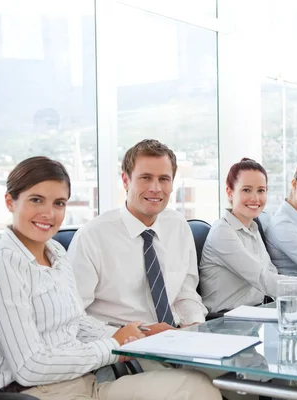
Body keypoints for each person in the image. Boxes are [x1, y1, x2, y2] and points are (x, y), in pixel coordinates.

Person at [0, 156, 219, 399]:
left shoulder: (54, 251)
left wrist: (138, 332)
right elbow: (30, 367)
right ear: (10, 202)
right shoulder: (3, 260)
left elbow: (77, 322)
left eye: (59, 203)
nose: (49, 213)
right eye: (36, 200)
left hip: (84, 383)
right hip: (36, 392)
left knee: (196, 388)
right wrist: (114, 347)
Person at [67, 140, 220, 394]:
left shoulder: (178, 226)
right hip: (125, 355)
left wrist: (192, 327)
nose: (156, 188)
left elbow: (185, 292)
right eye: (145, 178)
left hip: (180, 343)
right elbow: (72, 319)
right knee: (203, 389)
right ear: (126, 181)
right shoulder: (92, 236)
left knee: (253, 379)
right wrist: (140, 333)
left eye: (164, 179)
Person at [199, 158, 297, 313]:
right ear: (229, 192)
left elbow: (273, 276)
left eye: (261, 190)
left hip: (256, 314)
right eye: (246, 190)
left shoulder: (253, 228)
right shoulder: (223, 232)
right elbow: (268, 282)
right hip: (225, 321)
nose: (255, 198)